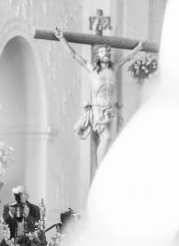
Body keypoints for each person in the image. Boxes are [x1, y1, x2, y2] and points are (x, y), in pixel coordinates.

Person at [54, 28, 144, 165]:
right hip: (99, 109)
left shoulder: (113, 67)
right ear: (97, 55)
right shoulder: (92, 69)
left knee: (113, 139)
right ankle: (100, 169)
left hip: (112, 108)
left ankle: (108, 168)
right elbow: (74, 55)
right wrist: (62, 39)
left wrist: (139, 47)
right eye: (103, 51)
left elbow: (128, 57)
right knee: (106, 137)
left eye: (108, 51)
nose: (107, 53)